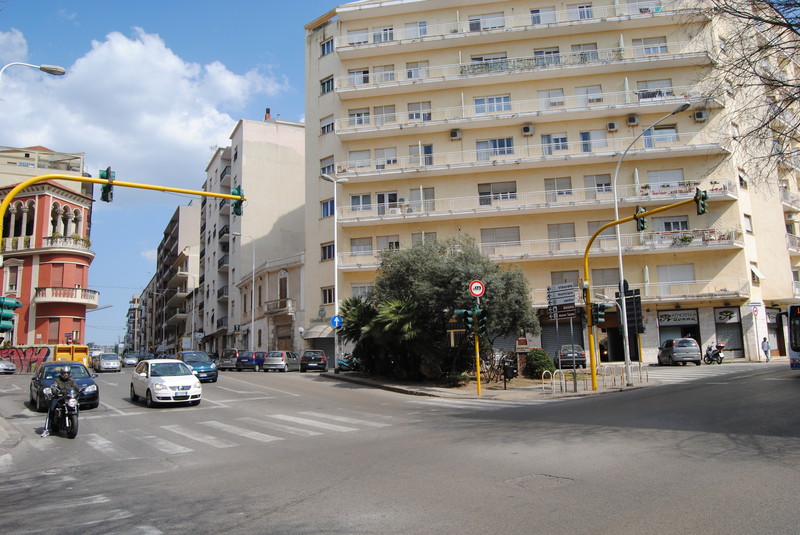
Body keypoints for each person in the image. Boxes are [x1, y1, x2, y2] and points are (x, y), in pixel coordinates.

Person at [41, 365, 79, 437]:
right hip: (59, 397)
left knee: (76, 405)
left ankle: (73, 421)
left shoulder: (71, 380)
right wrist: (54, 390)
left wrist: (79, 390)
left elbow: (76, 387)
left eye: (67, 373)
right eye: (64, 373)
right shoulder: (57, 380)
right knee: (52, 408)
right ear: (61, 373)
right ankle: (46, 429)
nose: (66, 374)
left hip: (68, 397)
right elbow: (53, 386)